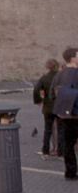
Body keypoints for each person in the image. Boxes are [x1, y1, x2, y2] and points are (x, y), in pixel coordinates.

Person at [50, 48, 78, 180]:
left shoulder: (58, 76)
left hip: (64, 115)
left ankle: (70, 171)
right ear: (73, 58)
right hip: (76, 113)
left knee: (68, 144)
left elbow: (51, 95)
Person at [34, 58, 62, 159]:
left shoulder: (44, 78)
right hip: (60, 107)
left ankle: (45, 152)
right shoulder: (61, 77)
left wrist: (38, 101)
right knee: (60, 130)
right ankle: (60, 152)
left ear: (47, 67)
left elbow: (36, 90)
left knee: (48, 130)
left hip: (48, 107)